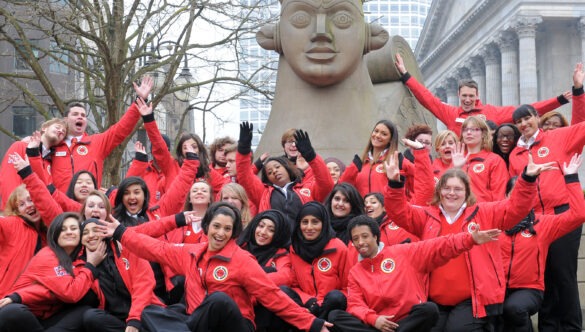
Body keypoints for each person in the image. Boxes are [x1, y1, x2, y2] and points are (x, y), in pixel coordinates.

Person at [384, 148, 555, 331]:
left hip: (473, 300)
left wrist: (527, 180)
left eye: (458, 189)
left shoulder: (484, 213)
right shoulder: (427, 216)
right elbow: (399, 212)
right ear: (439, 190)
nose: (451, 193)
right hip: (434, 298)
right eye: (447, 188)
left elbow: (515, 208)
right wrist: (394, 183)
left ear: (467, 192)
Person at [105, 202, 332, 332]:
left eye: (227, 228)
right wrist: (120, 233)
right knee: (149, 311)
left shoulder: (242, 260)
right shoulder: (190, 253)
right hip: (198, 323)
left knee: (219, 300)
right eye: (216, 226)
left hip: (235, 326)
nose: (220, 233)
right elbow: (155, 248)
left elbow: (273, 297)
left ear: (234, 232)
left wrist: (312, 323)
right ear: (207, 226)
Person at [508, 68, 585, 332]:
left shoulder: (557, 137)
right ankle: (549, 327)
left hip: (563, 214)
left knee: (564, 275)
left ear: (537, 118)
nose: (523, 124)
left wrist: (578, 92)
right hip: (535, 221)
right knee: (544, 276)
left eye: (527, 118)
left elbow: (580, 125)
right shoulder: (515, 156)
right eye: (519, 121)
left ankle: (572, 326)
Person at [328, 215, 501, 332]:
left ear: (375, 236)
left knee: (429, 310)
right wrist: (374, 319)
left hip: (408, 322)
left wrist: (469, 239)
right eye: (356, 239)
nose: (360, 242)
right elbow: (355, 304)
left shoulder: (404, 252)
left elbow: (440, 246)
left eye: (365, 236)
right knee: (335, 316)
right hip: (378, 324)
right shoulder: (355, 272)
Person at [501, 153, 585, 331]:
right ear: (506, 196)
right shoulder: (494, 221)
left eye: (525, 193)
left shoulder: (542, 223)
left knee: (514, 309)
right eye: (515, 193)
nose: (520, 198)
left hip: (528, 289)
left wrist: (571, 178)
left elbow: (578, 215)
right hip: (498, 289)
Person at [394, 53, 570, 134]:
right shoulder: (450, 114)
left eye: (471, 96)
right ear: (459, 95)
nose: (468, 100)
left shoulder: (491, 113)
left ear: (477, 96)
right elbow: (427, 98)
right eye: (464, 96)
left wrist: (559, 100)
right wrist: (406, 75)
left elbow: (528, 110)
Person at [0, 212, 105, 332]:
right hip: (26, 313)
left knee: (85, 311)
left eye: (74, 228)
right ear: (55, 234)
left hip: (48, 317)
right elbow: (70, 292)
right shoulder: (47, 255)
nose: (69, 232)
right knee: (12, 312)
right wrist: (91, 266)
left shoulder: (78, 261)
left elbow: (58, 290)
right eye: (63, 229)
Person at [51, 77, 153, 192]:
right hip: (59, 208)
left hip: (89, 207)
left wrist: (140, 101)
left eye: (83, 115)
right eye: (75, 114)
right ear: (65, 120)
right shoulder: (53, 145)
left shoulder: (96, 142)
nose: (80, 117)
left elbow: (120, 129)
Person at [237, 122, 334, 229]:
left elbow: (326, 184)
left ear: (288, 169)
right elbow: (245, 177)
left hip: (302, 242)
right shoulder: (263, 193)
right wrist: (243, 150)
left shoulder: (306, 189)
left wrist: (311, 156)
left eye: (277, 167)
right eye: (269, 172)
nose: (274, 171)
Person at [80, 217, 165, 332]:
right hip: (118, 321)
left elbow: (144, 284)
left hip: (142, 315)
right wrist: (90, 265)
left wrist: (134, 320)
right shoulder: (81, 265)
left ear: (105, 232)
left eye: (96, 230)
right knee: (90, 317)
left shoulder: (125, 248)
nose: (90, 235)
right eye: (85, 233)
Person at [283, 201, 348, 320]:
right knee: (283, 291)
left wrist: (318, 305)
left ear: (324, 224)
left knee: (336, 297)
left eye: (315, 222)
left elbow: (347, 288)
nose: (309, 227)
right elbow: (294, 285)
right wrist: (310, 302)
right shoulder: (294, 248)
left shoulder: (338, 248)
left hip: (329, 307)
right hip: (306, 304)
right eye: (304, 222)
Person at [0, 118, 67, 209]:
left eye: (63, 132)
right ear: (44, 128)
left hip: (35, 216)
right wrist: (13, 209)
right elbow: (8, 179)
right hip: (15, 212)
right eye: (57, 127)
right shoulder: (20, 146)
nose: (60, 131)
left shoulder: (49, 163)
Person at [340, 119, 413, 197]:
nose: (377, 135)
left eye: (384, 134)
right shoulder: (359, 162)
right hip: (362, 208)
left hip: (388, 208)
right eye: (376, 131)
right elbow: (342, 188)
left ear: (391, 140)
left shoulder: (397, 161)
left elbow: (421, 181)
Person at [451, 116, 509, 202]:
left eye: (474, 129)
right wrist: (456, 168)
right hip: (458, 212)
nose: (469, 132)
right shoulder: (456, 159)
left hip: (484, 212)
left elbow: (499, 197)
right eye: (465, 129)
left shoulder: (495, 160)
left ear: (483, 134)